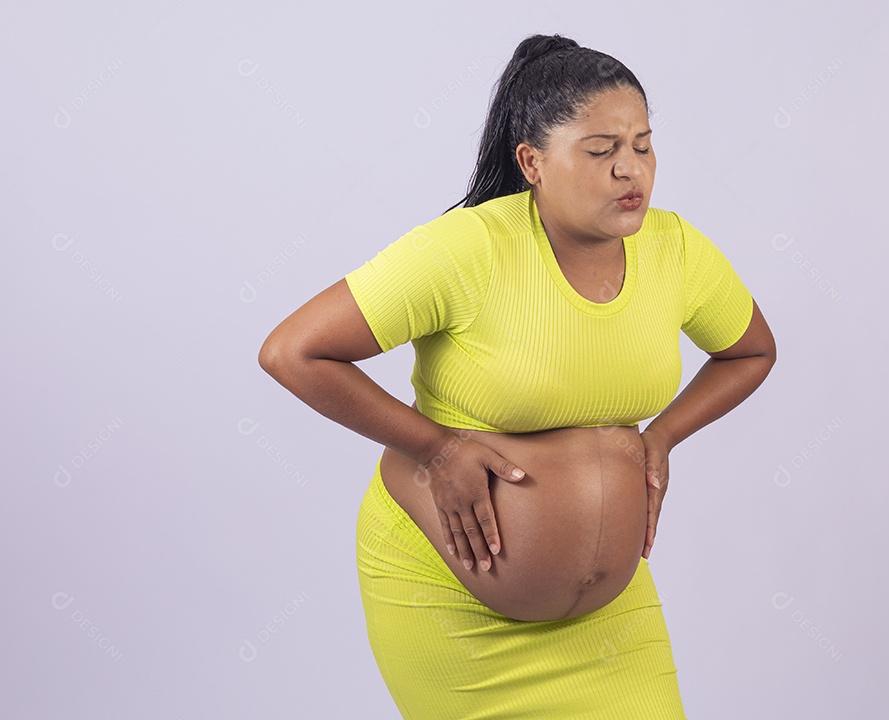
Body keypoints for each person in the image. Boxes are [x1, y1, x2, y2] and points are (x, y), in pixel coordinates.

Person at [259, 32, 775, 720]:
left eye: (643, 146)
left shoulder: (675, 250)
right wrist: (437, 450)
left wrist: (663, 438)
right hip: (450, 604)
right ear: (532, 161)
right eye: (602, 151)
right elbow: (293, 351)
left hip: (611, 625)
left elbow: (751, 352)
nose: (632, 171)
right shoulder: (468, 249)